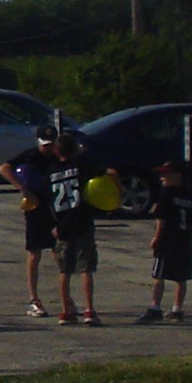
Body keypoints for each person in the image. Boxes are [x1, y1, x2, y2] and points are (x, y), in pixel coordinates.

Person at [46, 130, 115, 327]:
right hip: (82, 220)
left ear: (56, 151)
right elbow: (102, 172)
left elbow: (48, 201)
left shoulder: (51, 171)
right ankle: (89, 309)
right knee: (86, 268)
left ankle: (67, 309)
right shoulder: (82, 165)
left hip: (63, 222)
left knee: (64, 271)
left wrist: (55, 224)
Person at [0, 126, 64, 318]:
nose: (48, 148)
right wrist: (22, 188)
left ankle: (65, 298)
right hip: (35, 208)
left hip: (56, 208)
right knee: (34, 254)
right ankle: (34, 299)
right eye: (45, 145)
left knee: (59, 252)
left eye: (52, 144)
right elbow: (4, 168)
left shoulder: (59, 157)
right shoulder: (31, 156)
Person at [138, 159, 192, 324]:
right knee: (181, 277)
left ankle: (155, 307)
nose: (162, 177)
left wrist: (156, 237)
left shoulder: (166, 194)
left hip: (168, 240)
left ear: (177, 176)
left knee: (159, 275)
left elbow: (161, 218)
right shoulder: (188, 195)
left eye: (166, 174)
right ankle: (177, 309)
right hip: (184, 240)